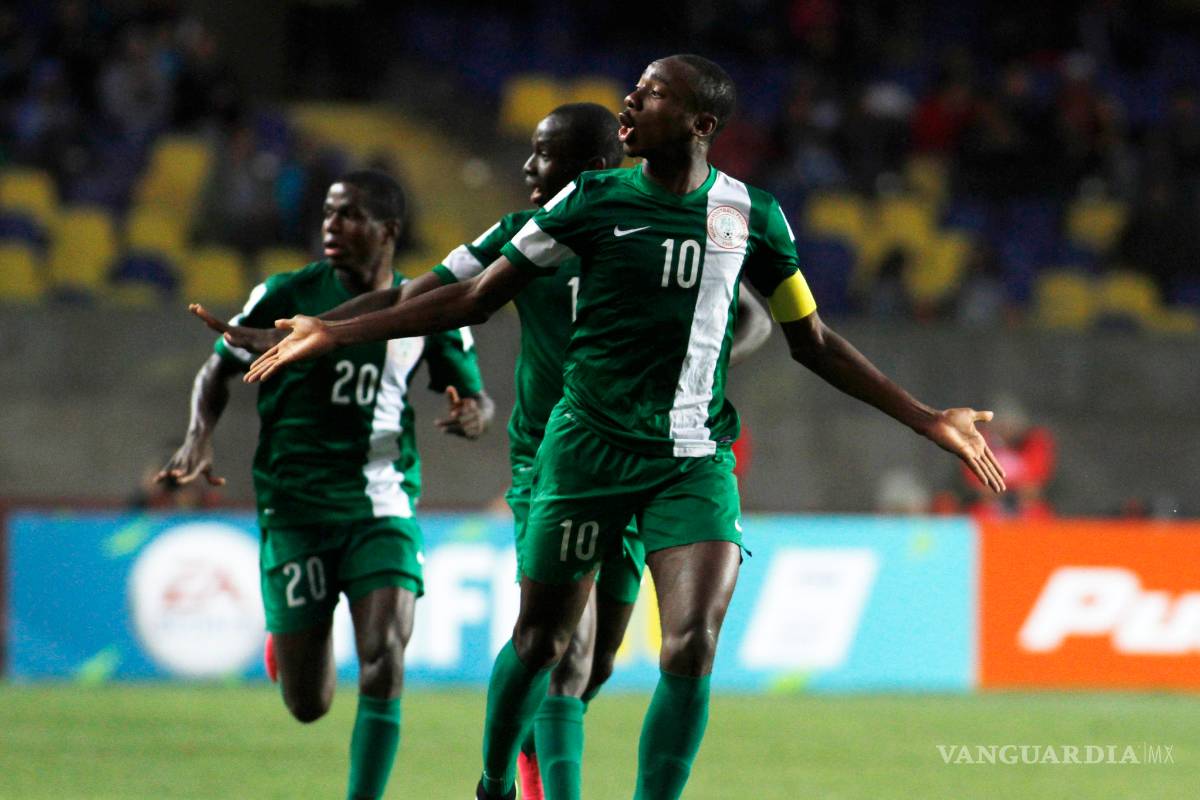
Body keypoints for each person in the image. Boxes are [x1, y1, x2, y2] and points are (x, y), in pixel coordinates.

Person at [239, 55, 1006, 800]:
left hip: (691, 457)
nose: (630, 106)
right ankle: (495, 781)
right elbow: (471, 298)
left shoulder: (755, 217)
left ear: (701, 123)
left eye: (651, 95)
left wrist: (926, 418)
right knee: (543, 644)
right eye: (632, 92)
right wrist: (335, 332)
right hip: (583, 454)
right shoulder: (589, 202)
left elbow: (810, 339)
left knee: (691, 645)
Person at [195, 102, 771, 800]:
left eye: (543, 154)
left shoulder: (654, 234)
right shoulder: (522, 235)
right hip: (554, 460)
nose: (528, 167)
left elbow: (751, 317)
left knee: (596, 668)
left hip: (654, 454)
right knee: (564, 651)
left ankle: (527, 744)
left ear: (589, 168)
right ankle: (518, 778)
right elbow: (428, 293)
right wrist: (319, 327)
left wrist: (692, 364)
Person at [157, 170, 494, 800]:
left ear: (389, 231)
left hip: (381, 504)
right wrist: (198, 437)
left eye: (350, 216)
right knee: (308, 705)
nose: (332, 227)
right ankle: (287, 641)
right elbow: (216, 370)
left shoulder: (425, 306)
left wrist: (473, 413)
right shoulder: (286, 293)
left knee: (384, 658)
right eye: (328, 215)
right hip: (296, 509)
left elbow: (477, 396)